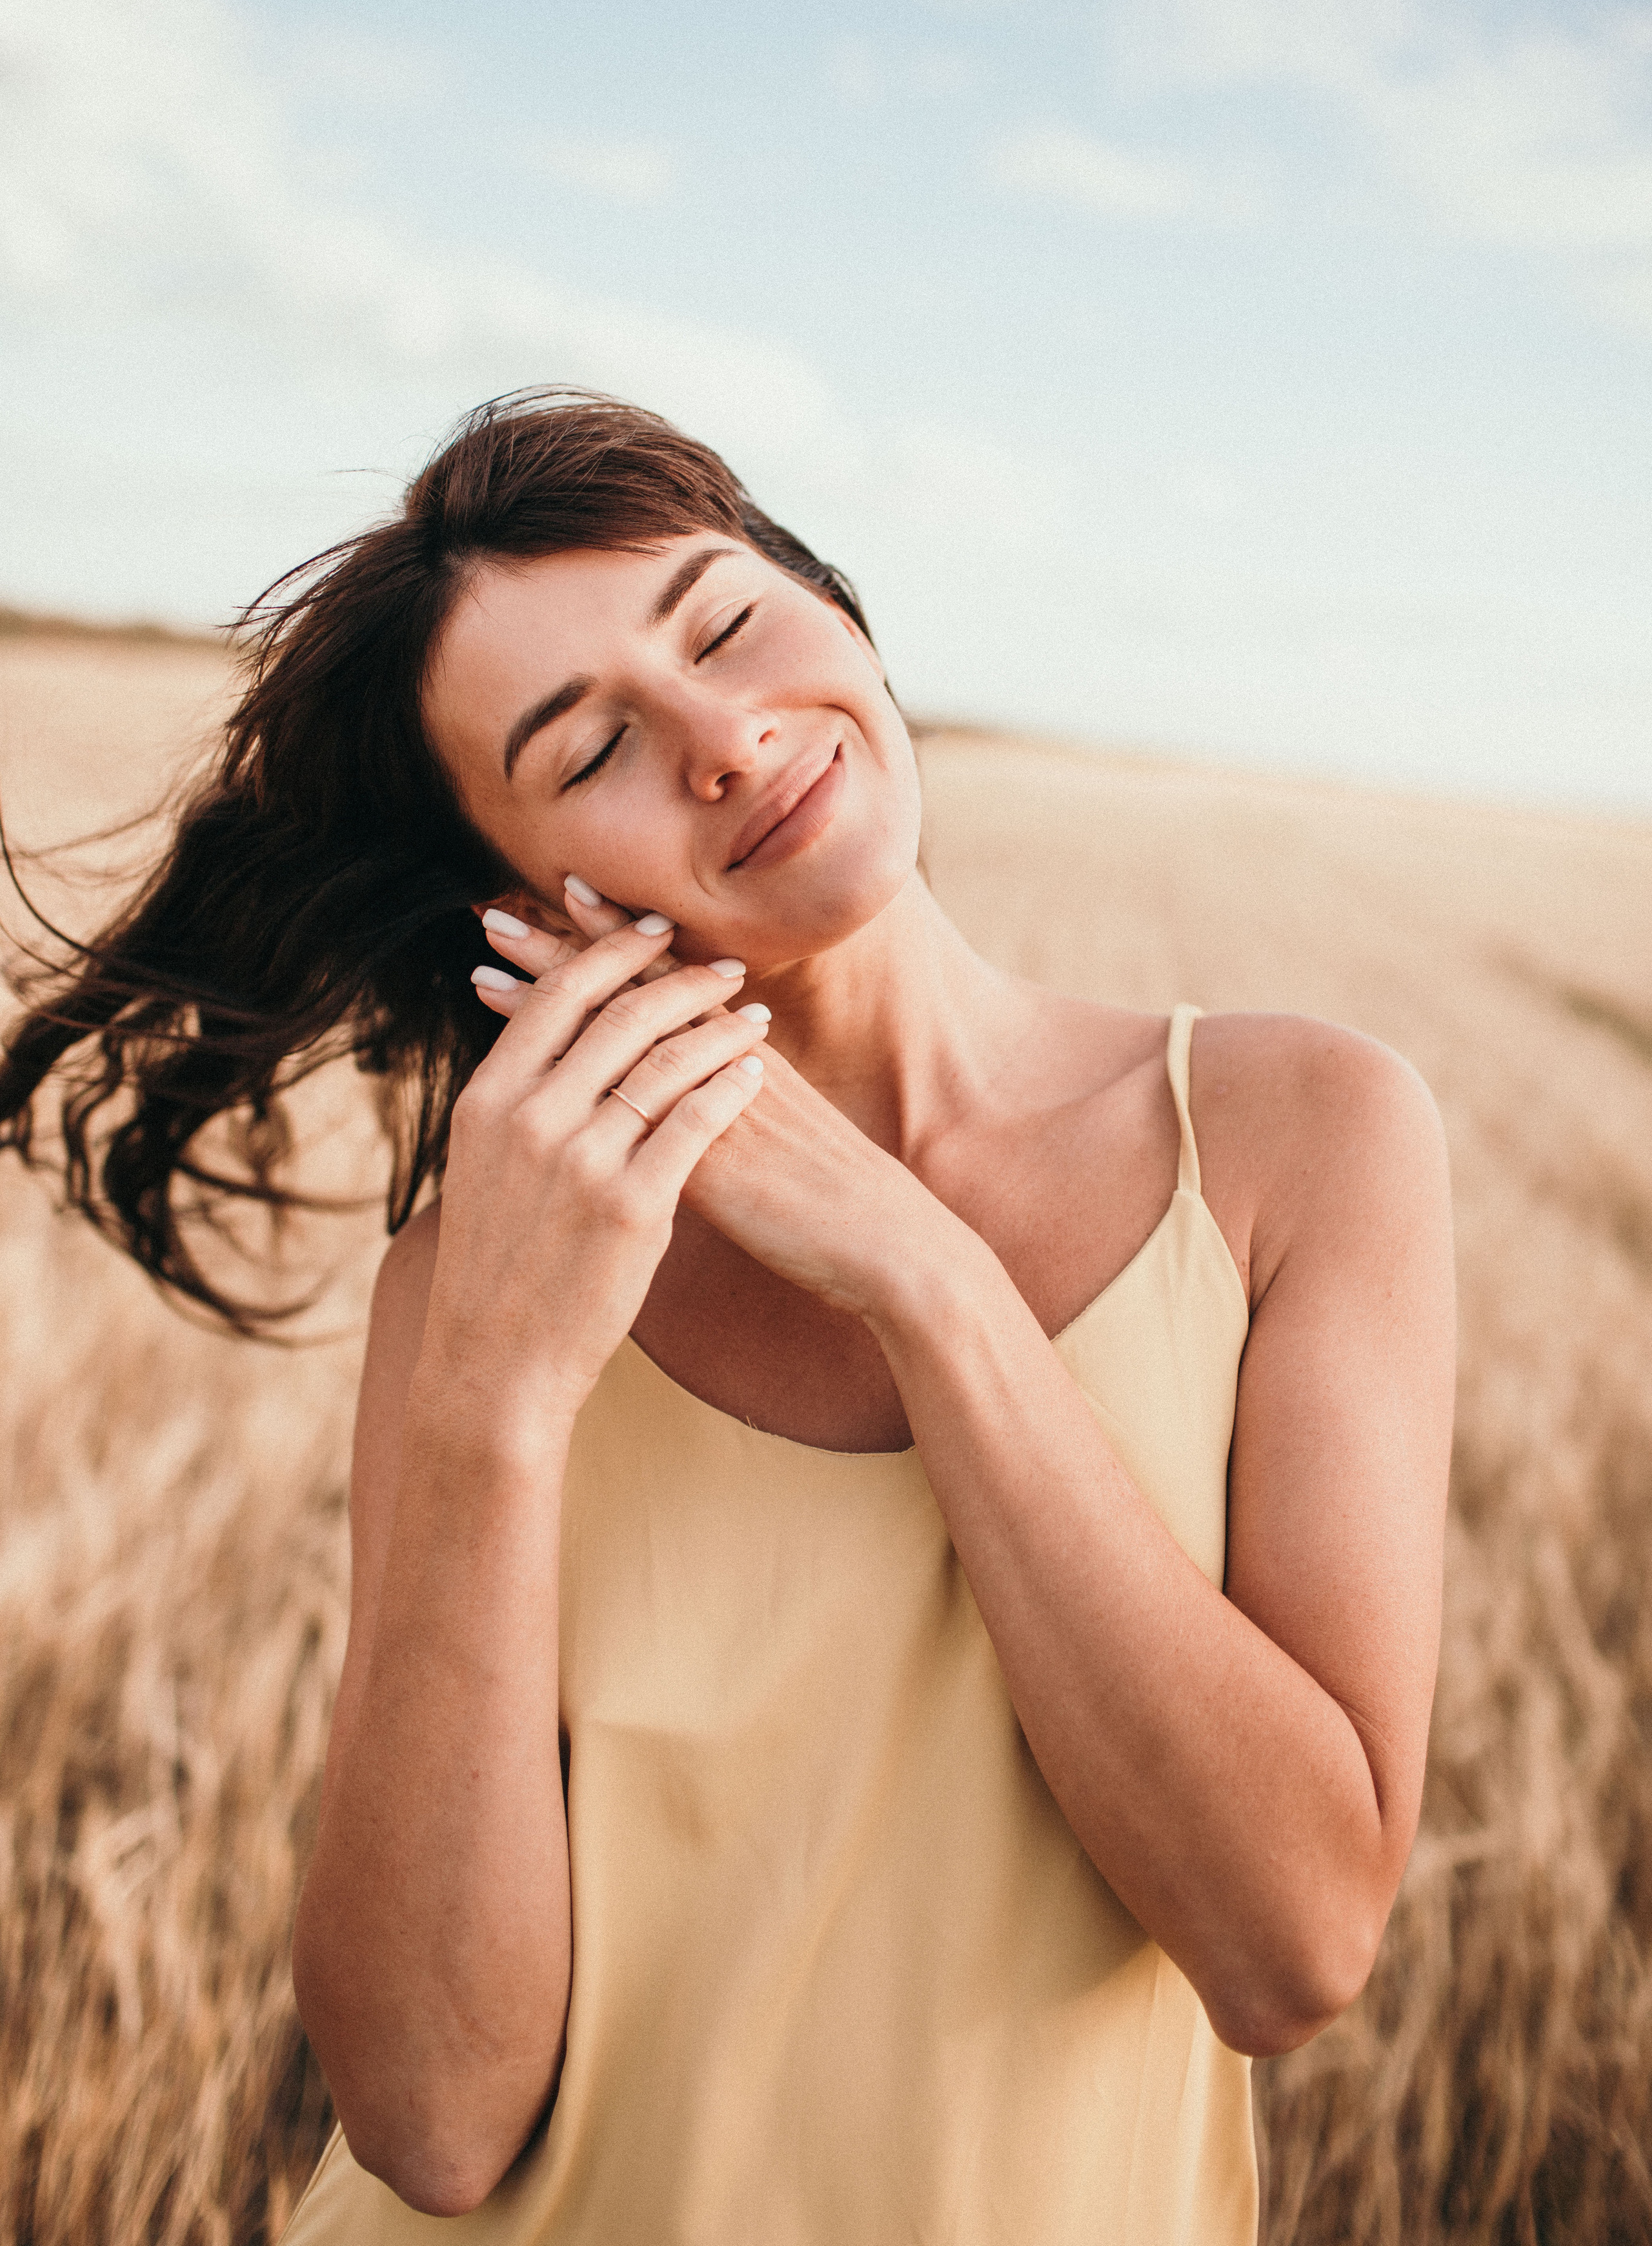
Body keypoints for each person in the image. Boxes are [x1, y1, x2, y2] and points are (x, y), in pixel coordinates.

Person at [0, 390, 1456, 2245]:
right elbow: (436, 2122)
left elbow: (1292, 1945)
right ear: (527, 900)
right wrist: (496, 1410)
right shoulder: (483, 1280)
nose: (725, 735)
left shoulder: (1296, 1136)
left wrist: (924, 1279)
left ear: (833, 604)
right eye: (591, 744)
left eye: (727, 621)